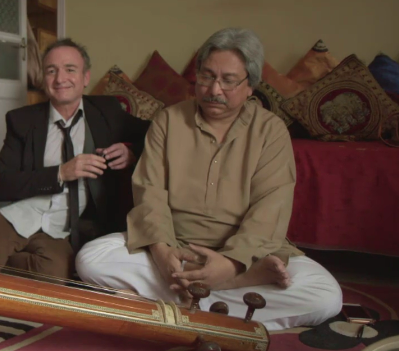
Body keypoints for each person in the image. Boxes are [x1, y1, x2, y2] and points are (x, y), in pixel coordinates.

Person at [75, 28, 343, 331]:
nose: (214, 89)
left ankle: (171, 302)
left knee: (326, 296)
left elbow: (270, 208)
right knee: (90, 258)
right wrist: (163, 254)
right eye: (206, 76)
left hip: (248, 255)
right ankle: (228, 295)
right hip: (178, 246)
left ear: (250, 86)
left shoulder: (271, 131)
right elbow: (149, 193)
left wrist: (231, 264)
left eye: (228, 81)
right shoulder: (169, 120)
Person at [0, 38, 150, 279]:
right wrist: (60, 173)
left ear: (86, 77)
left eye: (70, 69)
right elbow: (2, 184)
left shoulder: (107, 112)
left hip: (61, 228)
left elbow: (154, 133)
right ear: (43, 79)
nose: (60, 79)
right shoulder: (22, 120)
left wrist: (132, 153)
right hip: (14, 214)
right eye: (51, 71)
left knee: (55, 276)